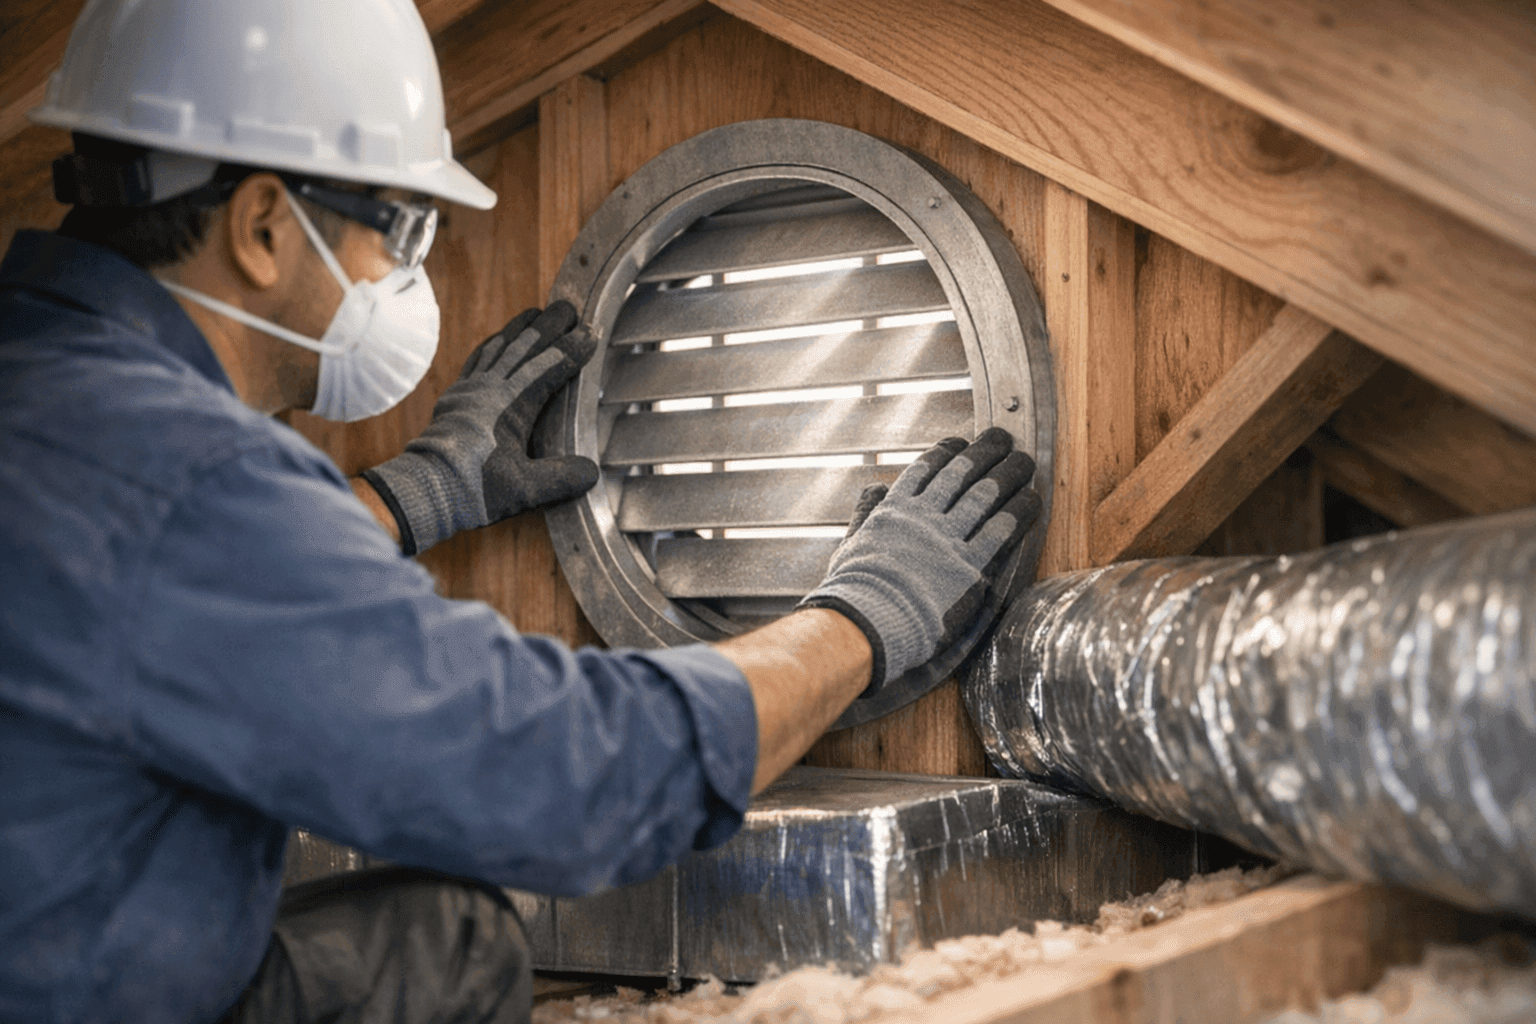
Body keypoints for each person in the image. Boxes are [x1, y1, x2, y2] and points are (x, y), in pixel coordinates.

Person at [0, 1, 1043, 1021]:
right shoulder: (184, 478)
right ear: (264, 224)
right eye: (398, 226)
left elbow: (148, 591)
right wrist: (864, 615)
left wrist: (417, 494)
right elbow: (567, 776)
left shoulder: (60, 412)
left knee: (424, 940)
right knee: (450, 936)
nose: (400, 273)